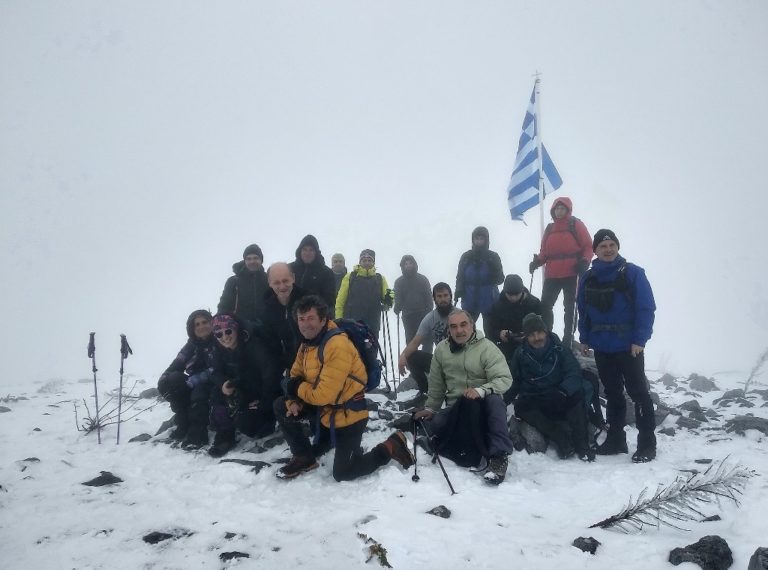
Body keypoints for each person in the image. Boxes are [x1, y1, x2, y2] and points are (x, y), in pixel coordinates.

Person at [273, 295, 415, 481]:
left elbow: (321, 394)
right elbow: (294, 375)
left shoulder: (337, 345)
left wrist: (295, 387)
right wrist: (293, 400)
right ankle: (304, 457)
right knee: (280, 404)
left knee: (343, 473)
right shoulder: (306, 345)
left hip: (349, 414)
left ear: (323, 319)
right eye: (301, 319)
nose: (305, 324)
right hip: (324, 410)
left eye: (310, 318)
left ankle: (392, 445)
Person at [577, 229, 657, 463]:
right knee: (612, 394)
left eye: (612, 244)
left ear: (618, 247)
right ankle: (615, 440)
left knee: (638, 393)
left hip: (628, 346)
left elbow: (646, 308)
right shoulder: (588, 277)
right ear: (595, 251)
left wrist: (640, 340)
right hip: (602, 346)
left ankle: (647, 443)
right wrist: (584, 338)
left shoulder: (633, 273)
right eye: (603, 246)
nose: (608, 249)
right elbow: (583, 310)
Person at [414, 309, 514, 485]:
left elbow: (504, 379)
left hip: (485, 406)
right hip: (456, 408)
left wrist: (481, 390)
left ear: (472, 325)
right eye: (453, 327)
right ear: (449, 330)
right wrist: (430, 408)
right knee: (433, 424)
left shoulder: (487, 348)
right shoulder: (442, 350)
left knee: (495, 401)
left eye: (463, 325)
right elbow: (437, 385)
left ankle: (499, 457)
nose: (459, 330)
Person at [507, 313, 594, 461]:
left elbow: (574, 373)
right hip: (536, 397)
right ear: (526, 337)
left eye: (539, 333)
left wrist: (563, 391)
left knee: (576, 396)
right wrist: (503, 399)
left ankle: (582, 445)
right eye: (532, 335)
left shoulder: (560, 349)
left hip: (559, 395)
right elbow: (515, 380)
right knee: (521, 407)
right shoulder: (520, 354)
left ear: (545, 332)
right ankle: (561, 438)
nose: (537, 338)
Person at [208, 313, 283, 457]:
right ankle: (224, 436)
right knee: (216, 394)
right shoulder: (219, 349)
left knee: (252, 428)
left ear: (236, 329)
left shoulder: (255, 346)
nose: (224, 337)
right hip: (243, 390)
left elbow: (271, 375)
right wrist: (223, 383)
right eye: (219, 334)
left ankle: (265, 420)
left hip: (262, 394)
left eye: (228, 331)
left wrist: (264, 403)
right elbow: (215, 372)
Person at [528, 198, 592, 347]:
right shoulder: (550, 228)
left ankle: (567, 339)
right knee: (545, 305)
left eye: (562, 208)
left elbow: (588, 246)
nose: (559, 211)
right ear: (553, 211)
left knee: (570, 307)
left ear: (568, 210)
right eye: (557, 209)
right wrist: (537, 262)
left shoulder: (576, 224)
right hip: (552, 274)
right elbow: (544, 252)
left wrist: (584, 261)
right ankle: (546, 335)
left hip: (572, 272)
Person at [157, 310, 217, 449]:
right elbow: (178, 362)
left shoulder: (220, 338)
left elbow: (218, 367)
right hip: (194, 381)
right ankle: (183, 423)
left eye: (204, 322)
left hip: (215, 379)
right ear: (192, 328)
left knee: (199, 393)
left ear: (211, 323)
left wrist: (194, 381)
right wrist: (163, 379)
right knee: (173, 380)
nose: (201, 327)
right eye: (197, 324)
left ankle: (198, 435)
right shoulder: (192, 344)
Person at [397, 282, 454, 392]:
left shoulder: (460, 315)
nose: (443, 299)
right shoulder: (430, 318)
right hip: (441, 363)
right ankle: (425, 392)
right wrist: (402, 356)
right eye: (439, 296)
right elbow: (415, 342)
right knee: (411, 356)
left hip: (461, 362)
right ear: (434, 298)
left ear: (451, 296)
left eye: (446, 295)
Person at [455, 226, 504, 337]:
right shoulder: (466, 256)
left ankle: (490, 353)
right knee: (466, 332)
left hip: (489, 300)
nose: (479, 241)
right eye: (476, 238)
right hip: (469, 299)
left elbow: (500, 279)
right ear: (472, 240)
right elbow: (460, 276)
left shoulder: (493, 256)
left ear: (486, 240)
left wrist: (493, 270)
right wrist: (458, 290)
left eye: (481, 238)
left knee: (491, 333)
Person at [261, 262, 308, 373]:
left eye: (285, 281)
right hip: (287, 367)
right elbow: (271, 346)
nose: (282, 287)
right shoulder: (267, 310)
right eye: (276, 282)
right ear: (269, 283)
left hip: (313, 361)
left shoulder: (309, 301)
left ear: (293, 278)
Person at [335, 249, 393, 338]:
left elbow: (387, 299)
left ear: (373, 263)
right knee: (351, 351)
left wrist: (389, 299)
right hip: (351, 324)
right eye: (364, 260)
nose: (367, 263)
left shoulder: (380, 279)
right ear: (360, 262)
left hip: (373, 324)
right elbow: (340, 301)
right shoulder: (350, 277)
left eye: (369, 260)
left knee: (371, 351)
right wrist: (339, 321)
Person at [487, 274, 543, 363]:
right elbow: (490, 329)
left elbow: (544, 326)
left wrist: (531, 333)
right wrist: (499, 333)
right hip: (506, 346)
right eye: (510, 294)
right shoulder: (497, 306)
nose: (513, 298)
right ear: (505, 292)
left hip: (531, 344)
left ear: (522, 291)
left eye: (516, 294)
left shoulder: (534, 304)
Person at [218, 244, 268, 324]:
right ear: (244, 261)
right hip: (240, 328)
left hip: (267, 328)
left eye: (256, 258)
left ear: (261, 260)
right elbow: (224, 306)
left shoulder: (269, 279)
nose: (252, 261)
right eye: (249, 259)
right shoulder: (233, 281)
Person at [289, 234, 336, 312]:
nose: (307, 253)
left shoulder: (326, 273)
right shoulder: (289, 269)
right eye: (304, 249)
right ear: (300, 251)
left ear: (316, 252)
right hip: (290, 317)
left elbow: (329, 300)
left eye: (311, 250)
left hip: (315, 318)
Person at [393, 254, 433, 345]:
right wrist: (397, 307)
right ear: (402, 266)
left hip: (423, 314)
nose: (408, 265)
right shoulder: (399, 282)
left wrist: (429, 310)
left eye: (410, 263)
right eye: (406, 264)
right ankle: (412, 359)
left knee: (427, 340)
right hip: (408, 315)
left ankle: (427, 359)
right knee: (411, 342)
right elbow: (398, 297)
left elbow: (428, 296)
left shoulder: (423, 279)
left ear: (414, 264)